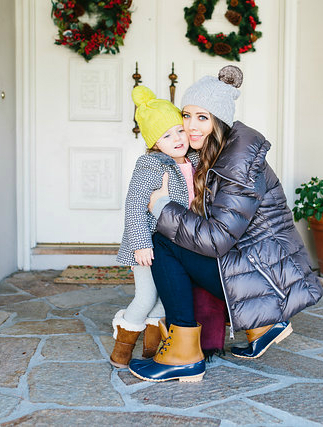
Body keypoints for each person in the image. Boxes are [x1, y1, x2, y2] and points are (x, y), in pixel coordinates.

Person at [128, 66, 323, 382]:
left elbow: (217, 239)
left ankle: (182, 355)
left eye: (202, 118)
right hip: (261, 267)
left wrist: (163, 208)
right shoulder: (218, 152)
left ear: (219, 121)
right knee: (177, 236)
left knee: (164, 240)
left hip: (267, 278)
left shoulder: (238, 165)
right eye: (186, 115)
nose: (190, 126)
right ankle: (262, 326)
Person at [110, 85, 199, 368]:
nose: (177, 139)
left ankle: (152, 351)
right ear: (154, 142)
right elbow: (135, 204)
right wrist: (140, 243)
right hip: (147, 245)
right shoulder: (151, 165)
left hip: (175, 245)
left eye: (179, 130)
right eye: (166, 135)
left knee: (164, 299)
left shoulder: (194, 162)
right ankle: (121, 350)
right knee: (147, 296)